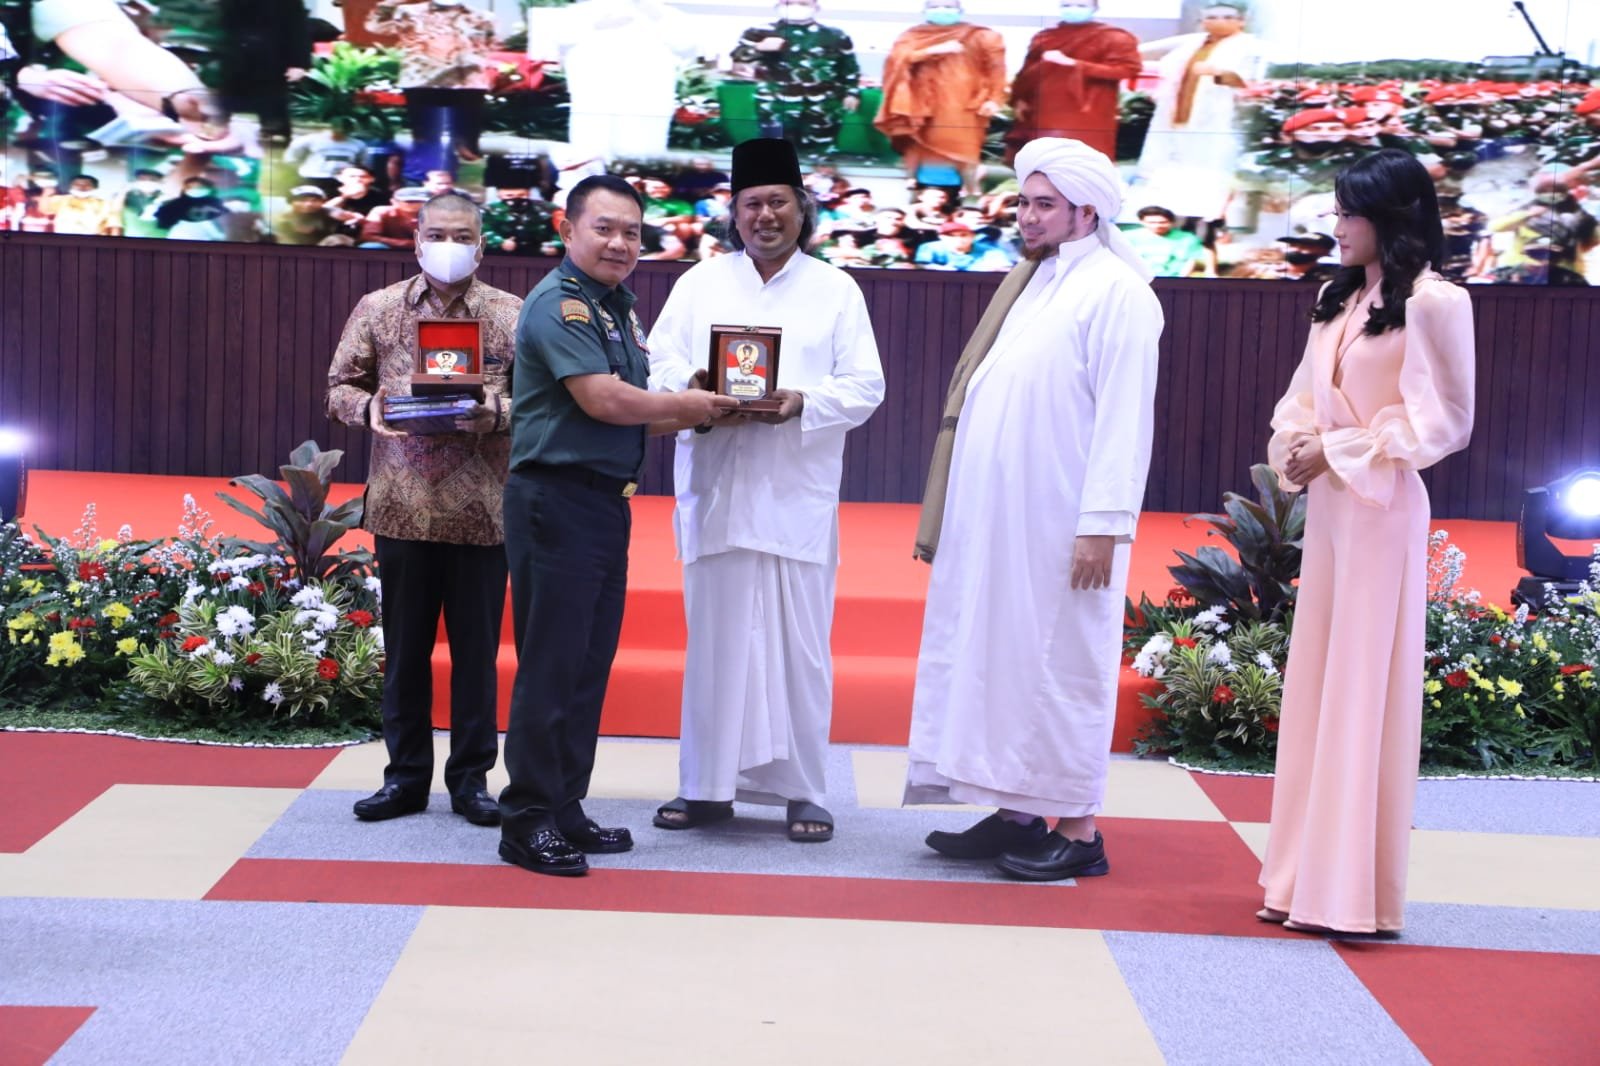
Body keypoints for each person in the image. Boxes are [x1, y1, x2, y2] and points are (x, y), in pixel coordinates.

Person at [903, 137, 1162, 881]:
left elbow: (1123, 421)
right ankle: (1013, 810)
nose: (1028, 215)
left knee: (1062, 665)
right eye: (1023, 201)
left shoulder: (1118, 292)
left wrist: (1103, 526)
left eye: (1045, 204)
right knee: (1000, 662)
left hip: (1063, 525)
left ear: (1088, 212)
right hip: (1000, 523)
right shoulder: (1034, 281)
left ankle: (1079, 830)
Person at [1258, 149, 1475, 937]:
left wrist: (1340, 450)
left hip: (1382, 509)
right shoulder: (1337, 296)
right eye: (1338, 209)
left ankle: (1349, 895)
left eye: (1350, 212)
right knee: (1317, 687)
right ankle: (1298, 880)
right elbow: (1300, 399)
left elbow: (1446, 421)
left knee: (1361, 692)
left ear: (1392, 216)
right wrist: (1296, 445)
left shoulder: (1437, 302)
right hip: (1332, 510)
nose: (1338, 225)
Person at [496, 174, 739, 877]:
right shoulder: (560, 305)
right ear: (566, 229)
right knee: (552, 665)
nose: (620, 243)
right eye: (604, 228)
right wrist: (686, 407)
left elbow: (627, 412)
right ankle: (526, 819)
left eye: (632, 231)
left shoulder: (618, 310)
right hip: (555, 501)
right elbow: (602, 400)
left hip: (601, 503)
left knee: (585, 666)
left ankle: (564, 804)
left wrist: (693, 407)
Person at [646, 138, 885, 844]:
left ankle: (804, 791)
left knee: (799, 651)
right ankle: (705, 787)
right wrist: (691, 389)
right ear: (734, 212)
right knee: (714, 646)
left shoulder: (836, 289)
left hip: (793, 494)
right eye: (752, 204)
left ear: (802, 209)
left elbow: (865, 385)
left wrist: (801, 402)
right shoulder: (700, 283)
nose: (765, 216)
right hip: (717, 487)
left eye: (778, 202)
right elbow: (659, 362)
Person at [325, 191, 521, 829]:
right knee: (405, 655)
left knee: (476, 659)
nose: (448, 246)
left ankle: (471, 782)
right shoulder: (378, 308)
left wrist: (497, 413)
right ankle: (404, 779)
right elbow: (338, 387)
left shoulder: (512, 315)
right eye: (437, 234)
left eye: (461, 236)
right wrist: (370, 409)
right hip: (402, 510)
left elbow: (543, 401)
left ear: (482, 246)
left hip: (482, 513)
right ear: (415, 241)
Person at [1133, 2, 1266, 227]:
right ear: (1203, 21)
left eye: (1227, 17)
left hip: (1219, 118)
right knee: (1169, 168)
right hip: (1177, 115)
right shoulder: (1193, 42)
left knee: (1210, 170)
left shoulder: (1250, 46)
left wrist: (1219, 72)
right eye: (1211, 17)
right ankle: (1166, 218)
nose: (1218, 21)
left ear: (1241, 21)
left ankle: (1205, 222)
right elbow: (1152, 55)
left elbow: (1251, 81)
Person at [874, 0, 1004, 195]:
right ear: (925, 10)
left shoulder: (981, 35)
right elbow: (897, 59)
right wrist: (931, 51)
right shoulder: (912, 35)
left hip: (964, 103)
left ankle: (971, 194)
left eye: (948, 6)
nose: (942, 10)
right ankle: (917, 193)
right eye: (935, 6)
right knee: (919, 142)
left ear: (960, 10)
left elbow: (996, 69)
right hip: (922, 103)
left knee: (964, 148)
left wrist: (994, 99)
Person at [1005, 0, 1140, 164]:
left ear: (1095, 8)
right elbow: (1027, 73)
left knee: (1084, 159)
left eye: (1081, 6)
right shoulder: (1044, 37)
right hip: (1044, 108)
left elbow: (1127, 69)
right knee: (1042, 158)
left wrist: (1075, 64)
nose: (1073, 10)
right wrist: (1020, 99)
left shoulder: (1114, 37)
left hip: (1089, 109)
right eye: (1066, 5)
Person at [729, 0, 860, 156]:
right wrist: (758, 47)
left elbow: (849, 67)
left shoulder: (835, 35)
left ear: (816, 7)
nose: (796, 7)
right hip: (776, 103)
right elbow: (737, 63)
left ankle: (819, 168)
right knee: (774, 153)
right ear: (778, 5)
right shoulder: (759, 32)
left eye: (803, 3)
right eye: (789, 2)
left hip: (822, 104)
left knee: (821, 151)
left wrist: (852, 92)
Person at [1121, 204, 1204, 276]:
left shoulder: (1187, 238)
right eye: (1152, 222)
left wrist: (1181, 281)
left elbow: (1191, 261)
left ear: (1171, 222)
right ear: (1142, 222)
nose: (1158, 226)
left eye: (1162, 222)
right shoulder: (1127, 237)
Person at [40, 171, 118, 234]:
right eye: (77, 184)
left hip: (93, 242)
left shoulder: (104, 204)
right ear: (71, 186)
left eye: (87, 185)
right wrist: (46, 194)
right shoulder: (61, 199)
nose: (82, 187)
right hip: (64, 240)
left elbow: (114, 225)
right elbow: (45, 210)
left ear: (95, 187)